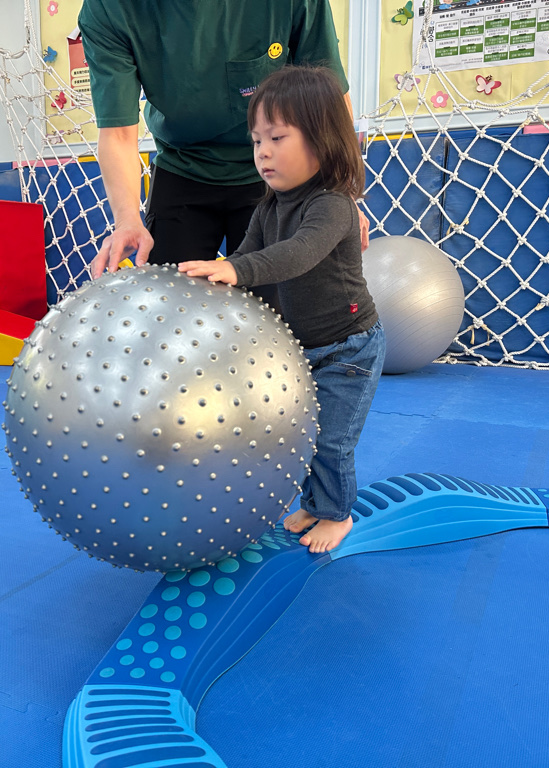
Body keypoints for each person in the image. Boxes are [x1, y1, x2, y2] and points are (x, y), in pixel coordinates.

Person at [177, 66, 385, 554]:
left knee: (331, 440)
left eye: (277, 137)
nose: (262, 152)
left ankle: (336, 514)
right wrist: (213, 283)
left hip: (348, 349)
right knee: (304, 437)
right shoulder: (268, 208)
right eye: (256, 141)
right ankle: (314, 503)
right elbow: (246, 256)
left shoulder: (333, 205)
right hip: (301, 350)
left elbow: (296, 255)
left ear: (321, 140)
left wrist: (234, 269)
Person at [77, 0, 369, 284]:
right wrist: (127, 220)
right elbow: (117, 133)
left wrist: (339, 192)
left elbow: (329, 100)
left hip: (277, 177)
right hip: (182, 165)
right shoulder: (110, 8)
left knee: (277, 304)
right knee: (169, 297)